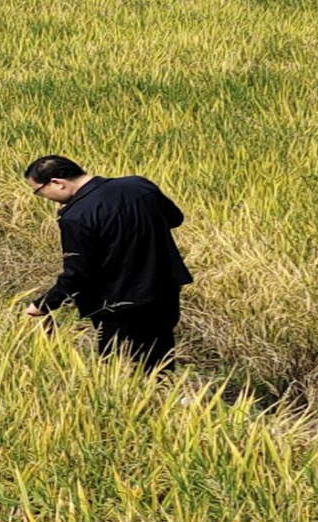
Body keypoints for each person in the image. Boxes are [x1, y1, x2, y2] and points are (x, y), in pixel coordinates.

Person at [22, 155, 193, 376]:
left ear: (57, 182)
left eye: (39, 191)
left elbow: (78, 273)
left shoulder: (75, 215)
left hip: (117, 303)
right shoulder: (139, 185)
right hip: (163, 288)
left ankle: (137, 407)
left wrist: (43, 304)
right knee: (160, 355)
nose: (43, 197)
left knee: (117, 368)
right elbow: (174, 218)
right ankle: (166, 398)